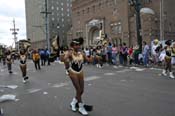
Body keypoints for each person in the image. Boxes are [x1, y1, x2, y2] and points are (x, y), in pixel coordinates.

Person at [60, 37, 92, 115]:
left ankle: (73, 102)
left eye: (78, 45)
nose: (78, 46)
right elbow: (62, 60)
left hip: (80, 72)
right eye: (76, 45)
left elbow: (89, 60)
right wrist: (61, 53)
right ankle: (81, 107)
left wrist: (94, 57)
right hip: (73, 72)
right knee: (78, 89)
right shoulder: (70, 53)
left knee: (81, 90)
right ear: (73, 46)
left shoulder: (82, 53)